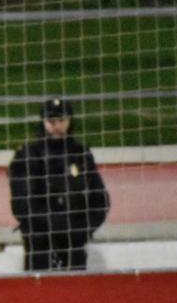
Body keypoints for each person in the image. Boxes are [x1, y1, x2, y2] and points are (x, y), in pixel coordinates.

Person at [8, 98, 110, 271]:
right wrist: (53, 225)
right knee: (39, 293)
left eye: (61, 120)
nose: (56, 126)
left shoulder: (81, 154)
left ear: (70, 121)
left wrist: (85, 228)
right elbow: (20, 202)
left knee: (74, 291)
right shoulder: (28, 155)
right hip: (39, 241)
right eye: (51, 121)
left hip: (74, 239)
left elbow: (100, 199)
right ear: (43, 122)